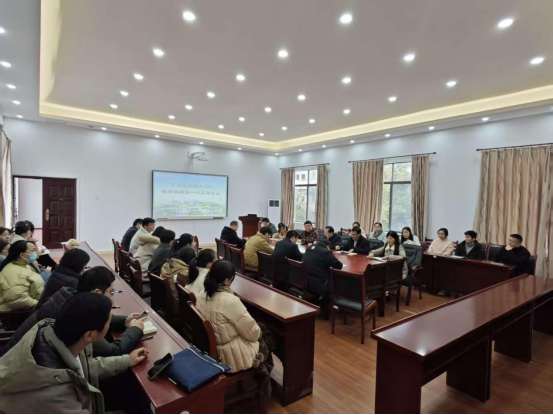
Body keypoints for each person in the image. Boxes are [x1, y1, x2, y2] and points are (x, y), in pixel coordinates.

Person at [0, 294, 149, 414]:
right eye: (108, 322)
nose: (110, 325)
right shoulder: (54, 392)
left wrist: (126, 360)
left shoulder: (60, 338)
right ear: (89, 335)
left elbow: (85, 366)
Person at [5, 266, 146, 359]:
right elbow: (112, 352)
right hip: (20, 367)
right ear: (97, 292)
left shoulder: (70, 298)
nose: (112, 296)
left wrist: (124, 320)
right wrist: (135, 329)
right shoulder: (77, 315)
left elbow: (97, 318)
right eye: (111, 292)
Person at [197, 260, 272, 374]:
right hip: (231, 357)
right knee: (266, 335)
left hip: (212, 347)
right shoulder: (230, 301)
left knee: (258, 328)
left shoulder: (202, 293)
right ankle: (263, 376)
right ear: (227, 281)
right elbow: (252, 334)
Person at [0, 240, 45, 312]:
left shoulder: (25, 265)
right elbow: (18, 299)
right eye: (33, 250)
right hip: (21, 313)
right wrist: (42, 306)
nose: (36, 252)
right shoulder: (14, 273)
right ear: (22, 255)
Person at [303, 240, 344, 306]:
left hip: (306, 282)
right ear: (327, 246)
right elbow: (338, 266)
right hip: (319, 286)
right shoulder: (325, 252)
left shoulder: (308, 248)